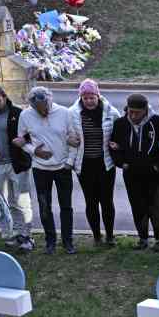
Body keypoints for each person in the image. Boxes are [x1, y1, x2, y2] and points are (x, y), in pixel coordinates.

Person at [15, 86, 77, 254]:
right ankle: (50, 241)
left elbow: (74, 138)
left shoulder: (65, 113)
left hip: (63, 167)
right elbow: (21, 141)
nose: (44, 112)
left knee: (66, 206)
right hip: (40, 169)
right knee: (44, 206)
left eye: (46, 107)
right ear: (33, 107)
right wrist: (34, 151)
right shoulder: (25, 115)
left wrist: (70, 162)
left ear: (50, 100)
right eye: (40, 110)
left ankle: (68, 241)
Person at [111, 93, 159, 251]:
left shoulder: (156, 122)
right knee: (138, 206)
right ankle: (142, 238)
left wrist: (158, 164)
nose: (133, 115)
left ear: (145, 110)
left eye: (137, 112)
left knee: (156, 206)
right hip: (132, 173)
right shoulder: (120, 124)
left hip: (155, 173)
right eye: (130, 111)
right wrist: (122, 163)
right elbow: (114, 145)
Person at [69, 79, 121, 247]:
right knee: (90, 201)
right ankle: (97, 235)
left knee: (107, 201)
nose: (89, 101)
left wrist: (116, 144)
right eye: (85, 98)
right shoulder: (73, 113)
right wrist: (69, 139)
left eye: (92, 97)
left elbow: (120, 132)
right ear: (81, 98)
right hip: (84, 165)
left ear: (98, 96)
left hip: (105, 164)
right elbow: (66, 134)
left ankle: (110, 235)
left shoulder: (110, 112)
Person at [0, 84, 34, 252]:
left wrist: (23, 142)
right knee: (10, 202)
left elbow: (30, 136)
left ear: (4, 96)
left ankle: (28, 236)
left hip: (17, 163)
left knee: (22, 201)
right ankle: (18, 233)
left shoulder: (17, 114)